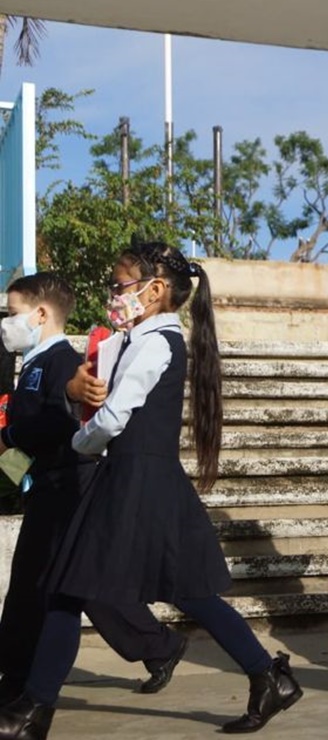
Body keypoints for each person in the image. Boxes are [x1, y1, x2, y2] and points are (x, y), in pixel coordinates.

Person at [0, 243, 303, 738]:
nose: (113, 295)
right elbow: (100, 392)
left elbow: (116, 417)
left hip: (134, 478)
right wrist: (80, 393)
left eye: (120, 286)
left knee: (68, 590)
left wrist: (83, 439)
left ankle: (33, 710)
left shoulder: (159, 342)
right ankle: (270, 678)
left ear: (155, 290)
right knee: (188, 594)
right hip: (138, 477)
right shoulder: (139, 338)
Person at [0, 273, 190, 703]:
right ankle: (158, 646)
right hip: (47, 484)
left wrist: (11, 438)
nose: (7, 324)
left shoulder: (65, 362)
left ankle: (20, 682)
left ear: (41, 313)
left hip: (72, 486)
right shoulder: (31, 362)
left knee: (63, 586)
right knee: (62, 585)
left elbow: (66, 420)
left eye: (12, 314)